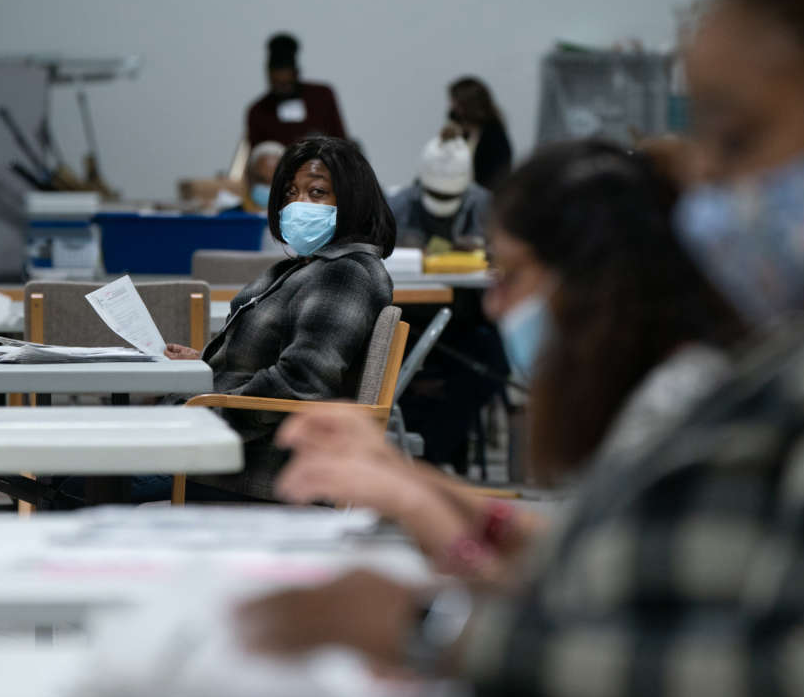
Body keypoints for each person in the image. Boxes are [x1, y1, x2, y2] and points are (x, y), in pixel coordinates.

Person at [237, 0, 804, 697]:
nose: (701, 174)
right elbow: (670, 579)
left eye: (736, 135)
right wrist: (435, 505)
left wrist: (431, 631)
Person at [273, 139, 741, 571]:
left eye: (511, 277)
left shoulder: (676, 410)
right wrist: (405, 479)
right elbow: (561, 543)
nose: (493, 306)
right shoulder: (650, 394)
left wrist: (417, 508)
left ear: (595, 279)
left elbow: (573, 601)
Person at [162, 136, 395, 500]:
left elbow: (300, 382)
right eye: (290, 192)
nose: (298, 204)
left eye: (317, 193)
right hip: (221, 452)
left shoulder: (345, 274)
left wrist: (207, 425)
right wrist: (205, 363)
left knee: (72, 480)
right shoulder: (303, 268)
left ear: (351, 201)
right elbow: (276, 355)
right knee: (76, 470)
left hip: (248, 467)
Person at [387, 129, 491, 252]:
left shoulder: (486, 206)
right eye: (435, 194)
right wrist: (398, 245)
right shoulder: (397, 206)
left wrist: (482, 246)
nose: (442, 200)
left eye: (449, 196)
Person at [246, 34, 347, 148]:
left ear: (296, 73)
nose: (283, 88)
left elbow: (341, 144)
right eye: (278, 83)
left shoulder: (321, 97)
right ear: (269, 76)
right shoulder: (259, 112)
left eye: (286, 83)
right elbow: (258, 157)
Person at [448, 76, 512, 191]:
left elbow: (496, 179)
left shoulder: (494, 138)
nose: (451, 107)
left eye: (455, 103)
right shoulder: (455, 131)